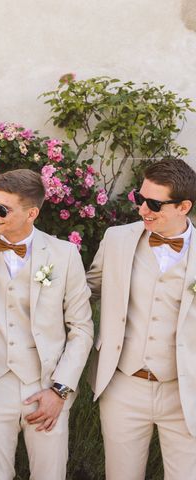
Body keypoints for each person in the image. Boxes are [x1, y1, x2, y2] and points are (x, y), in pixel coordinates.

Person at [0, 169, 93, 480]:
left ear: (32, 213)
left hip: (46, 384)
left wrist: (60, 390)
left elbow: (82, 329)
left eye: (2, 209)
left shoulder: (64, 255)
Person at [87, 158, 196, 479]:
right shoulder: (117, 240)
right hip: (123, 384)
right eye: (140, 198)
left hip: (185, 391)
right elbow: (85, 293)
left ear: (183, 206)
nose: (142, 209)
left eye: (154, 203)